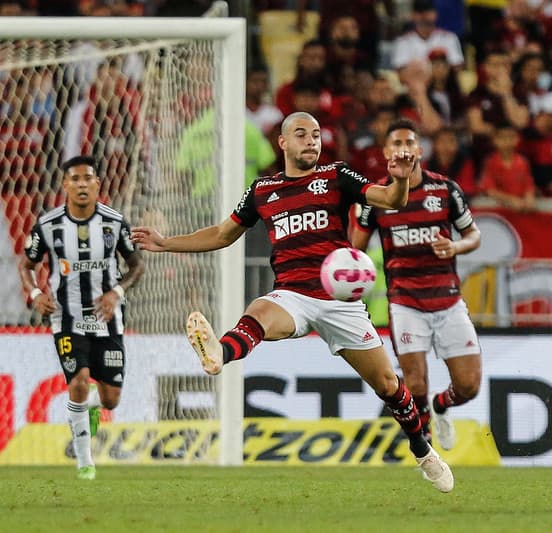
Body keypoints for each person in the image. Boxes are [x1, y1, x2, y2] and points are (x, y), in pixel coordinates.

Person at [131, 112, 454, 492]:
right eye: (301, 134)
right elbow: (222, 234)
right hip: (293, 295)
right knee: (259, 311)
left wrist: (400, 179)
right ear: (283, 142)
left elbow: (390, 200)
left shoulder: (336, 175)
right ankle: (219, 352)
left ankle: (422, 449)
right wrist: (167, 242)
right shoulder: (262, 190)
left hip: (339, 301)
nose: (311, 141)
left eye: (316, 134)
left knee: (388, 385)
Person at [350, 118, 482, 451]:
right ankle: (424, 447)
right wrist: (348, 273)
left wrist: (455, 247)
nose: (403, 148)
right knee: (415, 383)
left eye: (409, 142)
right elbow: (355, 250)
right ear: (386, 153)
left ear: (419, 151)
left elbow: (473, 235)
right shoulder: (374, 198)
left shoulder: (445, 190)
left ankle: (441, 406)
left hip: (448, 300)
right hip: (405, 302)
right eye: (396, 143)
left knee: (468, 386)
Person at [17, 155, 145, 479]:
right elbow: (26, 265)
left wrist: (116, 291)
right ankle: (85, 461)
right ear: (65, 185)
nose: (82, 184)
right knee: (77, 382)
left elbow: (137, 265)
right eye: (75, 179)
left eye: (88, 178)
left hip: (108, 317)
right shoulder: (48, 225)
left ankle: (92, 410)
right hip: (66, 317)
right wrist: (34, 294)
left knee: (111, 399)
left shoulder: (115, 223)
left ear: (97, 184)